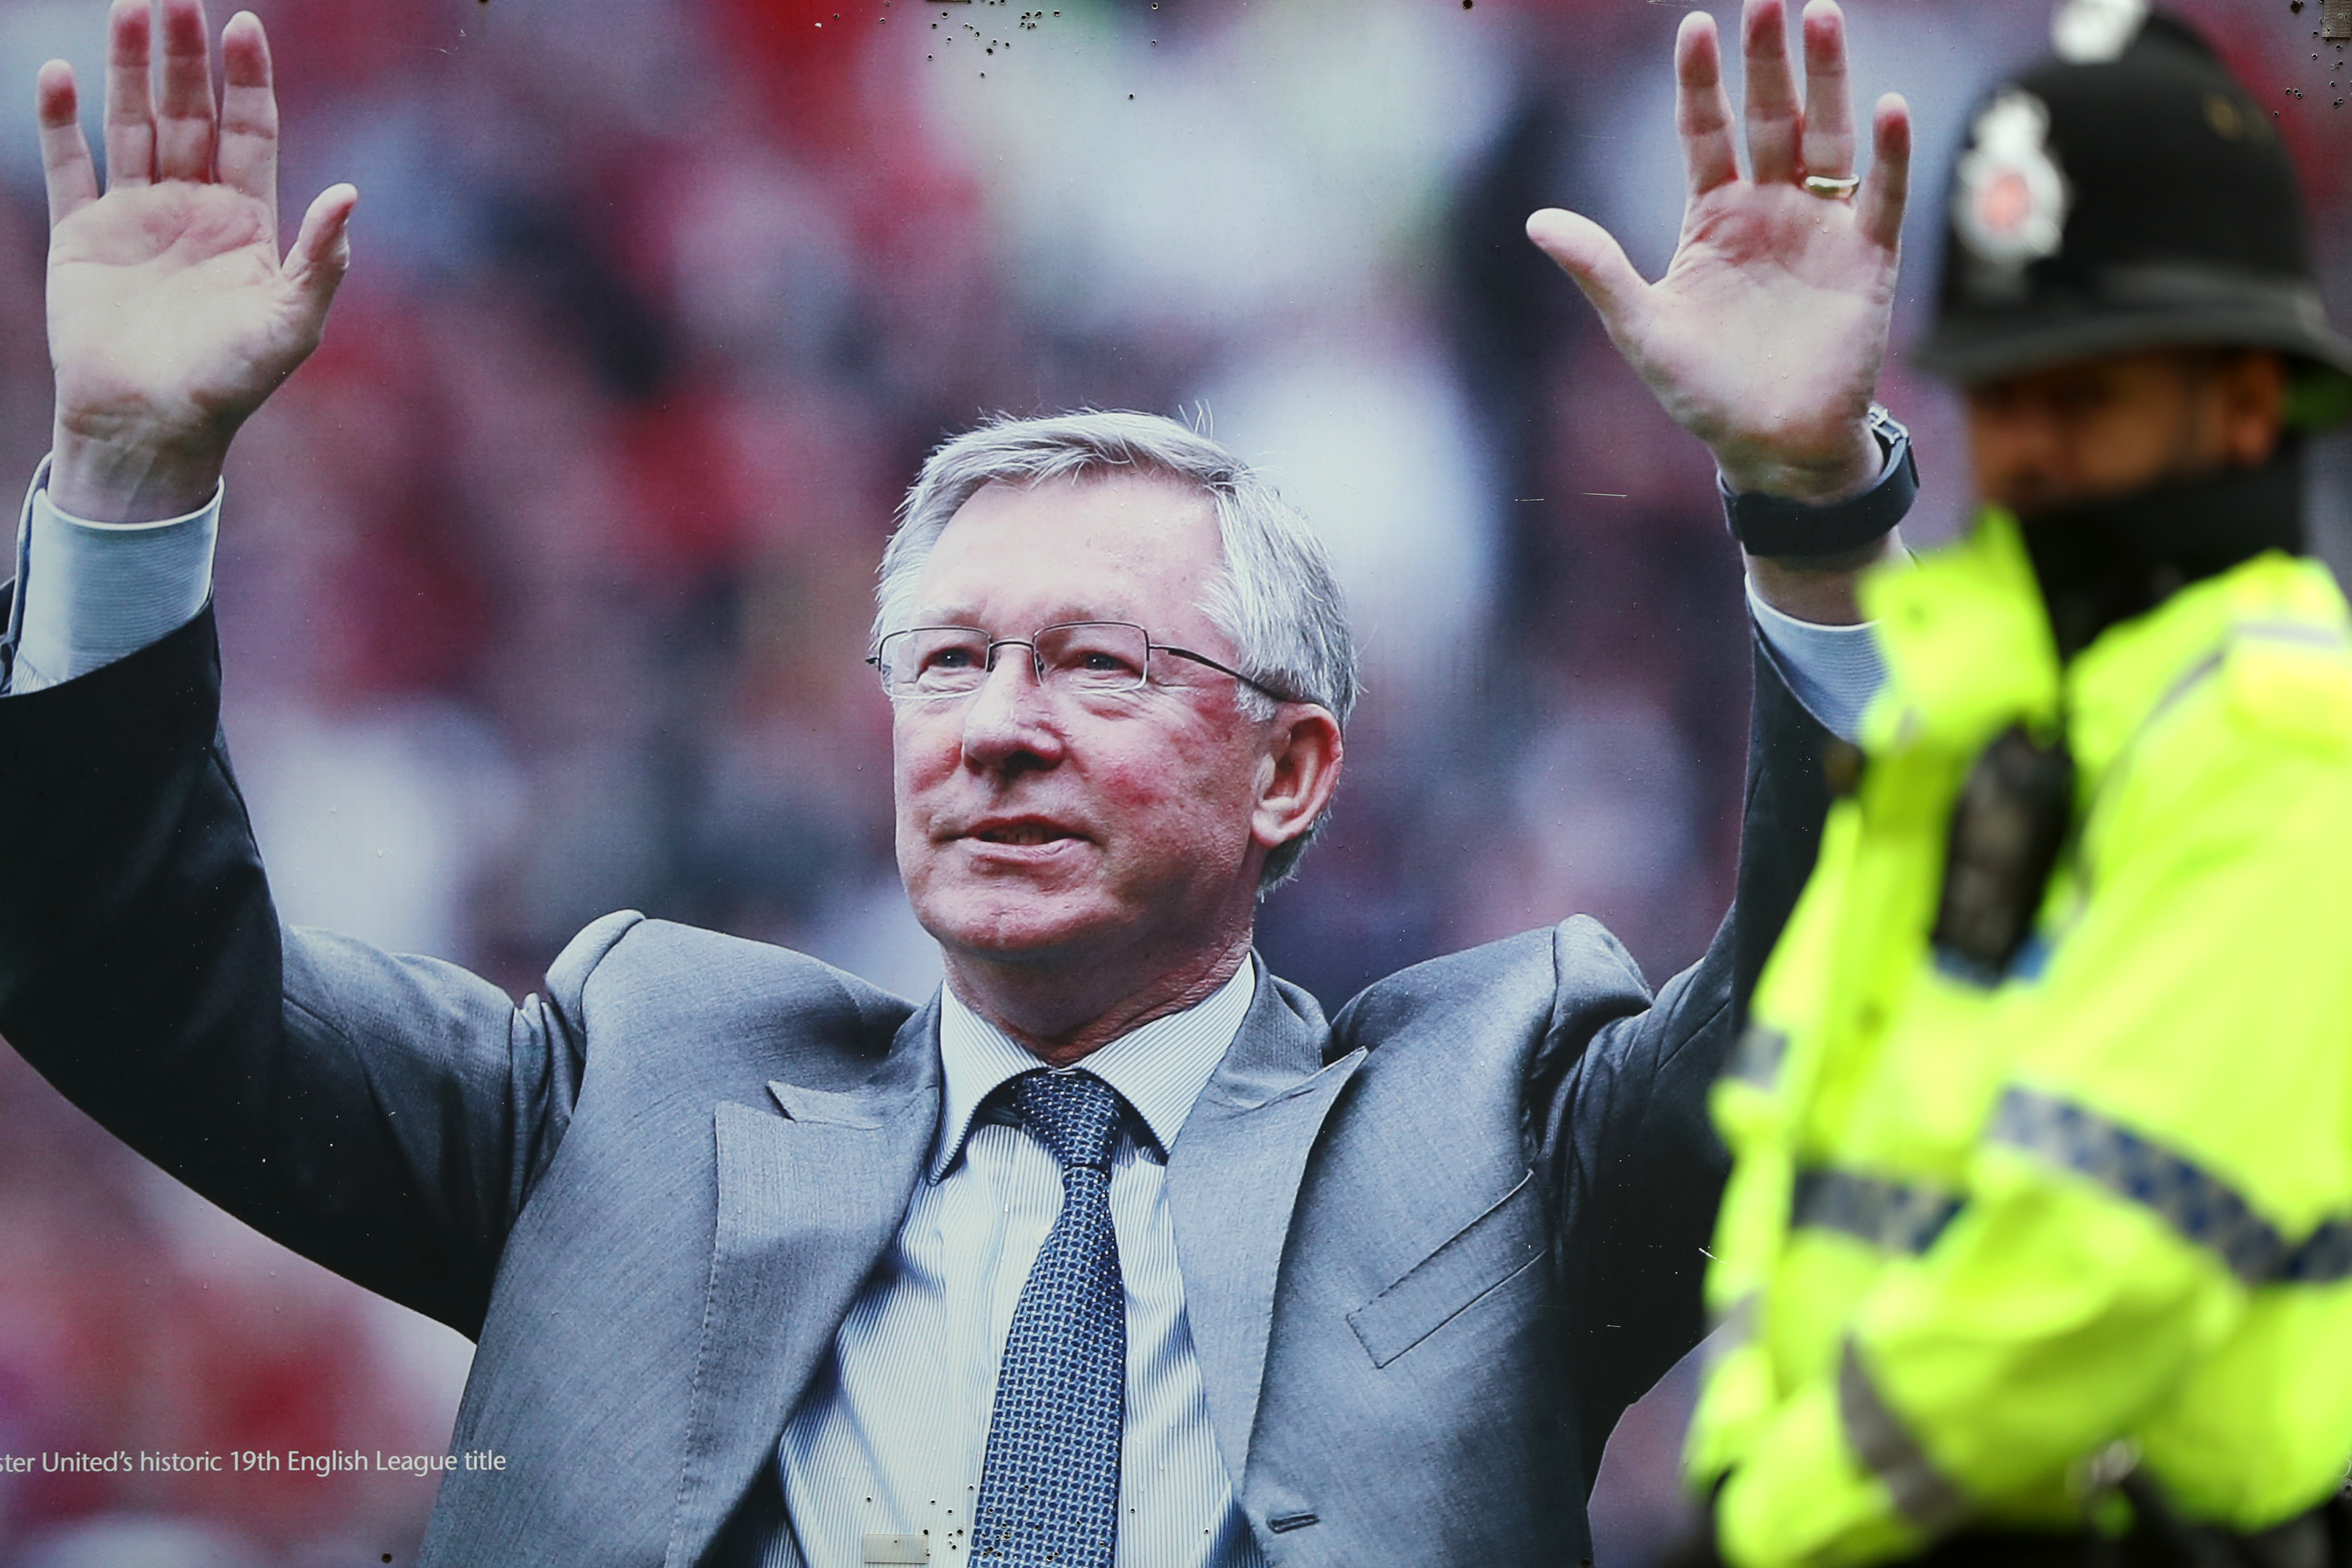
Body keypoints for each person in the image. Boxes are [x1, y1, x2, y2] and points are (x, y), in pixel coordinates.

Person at [0, 0, 1912, 1563]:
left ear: (1289, 768)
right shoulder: (625, 1094)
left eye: (1093, 661)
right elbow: (122, 968)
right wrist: (128, 478)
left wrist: (1813, 510)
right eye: (947, 663)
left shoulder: (1491, 1133)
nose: (998, 721)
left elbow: (1849, 988)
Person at [1676, 5, 2352, 1566]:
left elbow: (2114, 1250)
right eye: (2006, 390)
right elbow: (1798, 1146)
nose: (2034, 452)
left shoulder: (2283, 726)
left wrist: (1767, 1521)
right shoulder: (1987, 713)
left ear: (2244, 401)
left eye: (2090, 393)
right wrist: (1735, 1474)